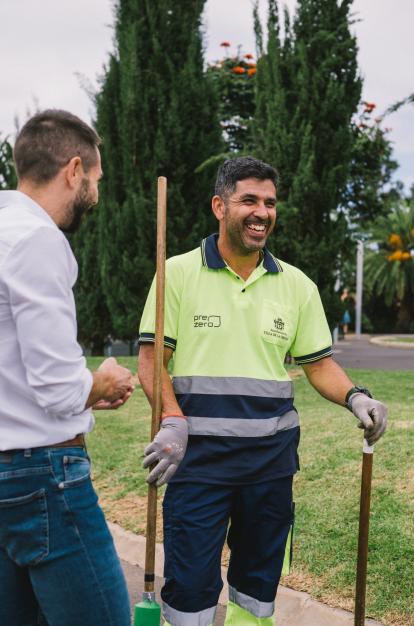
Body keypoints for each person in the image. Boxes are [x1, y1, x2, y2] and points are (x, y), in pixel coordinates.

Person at [138, 156, 387, 626]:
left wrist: (357, 396)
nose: (262, 212)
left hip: (270, 466)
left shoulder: (296, 285)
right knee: (189, 588)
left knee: (256, 588)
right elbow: (152, 361)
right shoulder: (177, 274)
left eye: (269, 203)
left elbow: (319, 364)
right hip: (198, 463)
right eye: (249, 200)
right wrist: (171, 418)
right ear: (219, 205)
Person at [0, 110, 134, 626]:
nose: (95, 195)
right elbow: (58, 389)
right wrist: (105, 381)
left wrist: (89, 390)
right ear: (74, 170)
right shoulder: (38, 240)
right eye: (96, 180)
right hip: (45, 481)